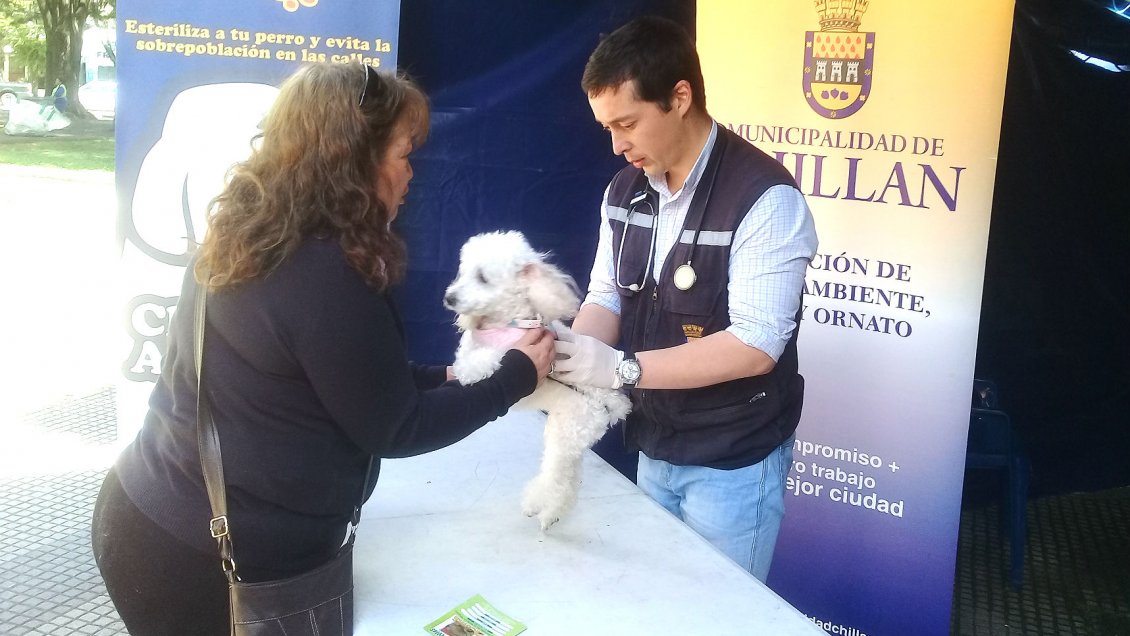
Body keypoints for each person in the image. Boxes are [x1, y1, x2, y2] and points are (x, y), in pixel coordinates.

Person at [90, 62, 555, 635]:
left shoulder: (257, 233)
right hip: (198, 561)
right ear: (353, 159)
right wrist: (514, 377)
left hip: (153, 518)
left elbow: (327, 372)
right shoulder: (324, 270)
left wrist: (439, 377)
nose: (412, 174)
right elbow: (395, 428)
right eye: (404, 154)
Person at [552, 16, 818, 583]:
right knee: (660, 606)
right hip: (655, 446)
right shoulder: (623, 191)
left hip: (733, 463)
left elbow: (755, 346)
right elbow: (606, 296)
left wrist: (621, 367)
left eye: (626, 123)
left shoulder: (766, 199)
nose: (617, 145)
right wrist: (569, 354)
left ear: (679, 97)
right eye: (607, 128)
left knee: (720, 618)